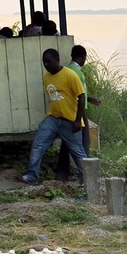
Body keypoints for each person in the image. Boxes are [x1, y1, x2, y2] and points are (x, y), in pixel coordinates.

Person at [19, 48, 87, 184]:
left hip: (70, 121)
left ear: (57, 60)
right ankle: (32, 176)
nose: (46, 65)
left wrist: (78, 120)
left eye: (49, 62)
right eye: (44, 62)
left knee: (78, 152)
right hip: (53, 118)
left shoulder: (70, 75)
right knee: (38, 144)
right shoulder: (46, 77)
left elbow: (81, 97)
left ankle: (88, 178)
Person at [54, 45, 100, 181]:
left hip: (70, 110)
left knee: (67, 141)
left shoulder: (68, 70)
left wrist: (90, 99)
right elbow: (79, 95)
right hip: (77, 111)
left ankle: (63, 172)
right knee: (84, 142)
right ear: (83, 57)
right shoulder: (76, 72)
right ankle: (85, 173)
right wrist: (78, 118)